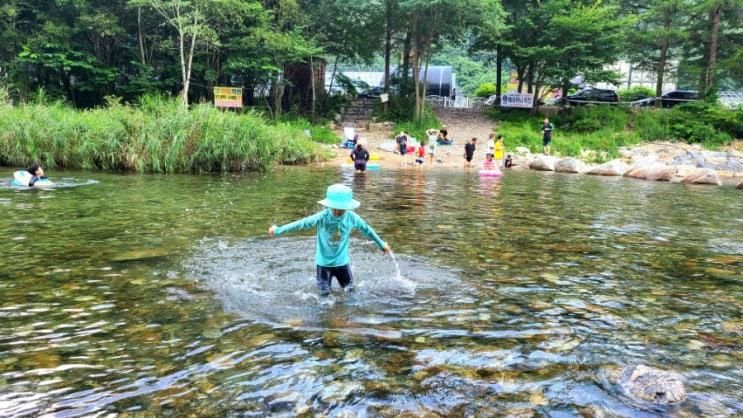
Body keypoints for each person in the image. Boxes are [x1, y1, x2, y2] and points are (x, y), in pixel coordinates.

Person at [268, 184, 391, 297]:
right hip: (323, 265)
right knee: (324, 296)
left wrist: (381, 244)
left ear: (348, 207)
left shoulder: (352, 218)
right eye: (334, 208)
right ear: (329, 205)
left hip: (342, 264)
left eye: (341, 209)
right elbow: (301, 224)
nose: (337, 211)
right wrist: (278, 230)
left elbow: (367, 230)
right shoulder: (322, 217)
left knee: (351, 293)